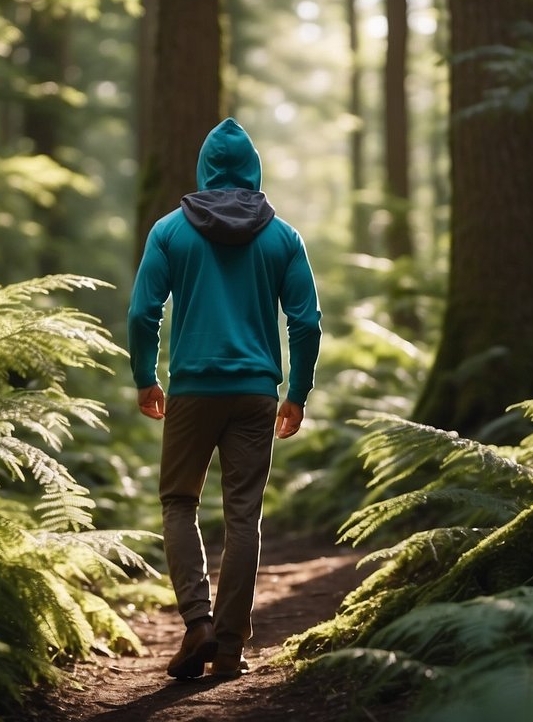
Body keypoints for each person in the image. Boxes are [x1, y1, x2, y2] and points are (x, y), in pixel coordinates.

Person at [127, 117, 322, 680]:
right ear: (253, 169)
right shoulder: (282, 236)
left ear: (205, 167)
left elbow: (143, 312)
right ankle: (232, 645)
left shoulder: (170, 230)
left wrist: (145, 375)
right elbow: (305, 322)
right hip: (257, 394)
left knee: (178, 502)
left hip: (191, 390)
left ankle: (198, 625)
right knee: (244, 516)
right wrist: (297, 392)